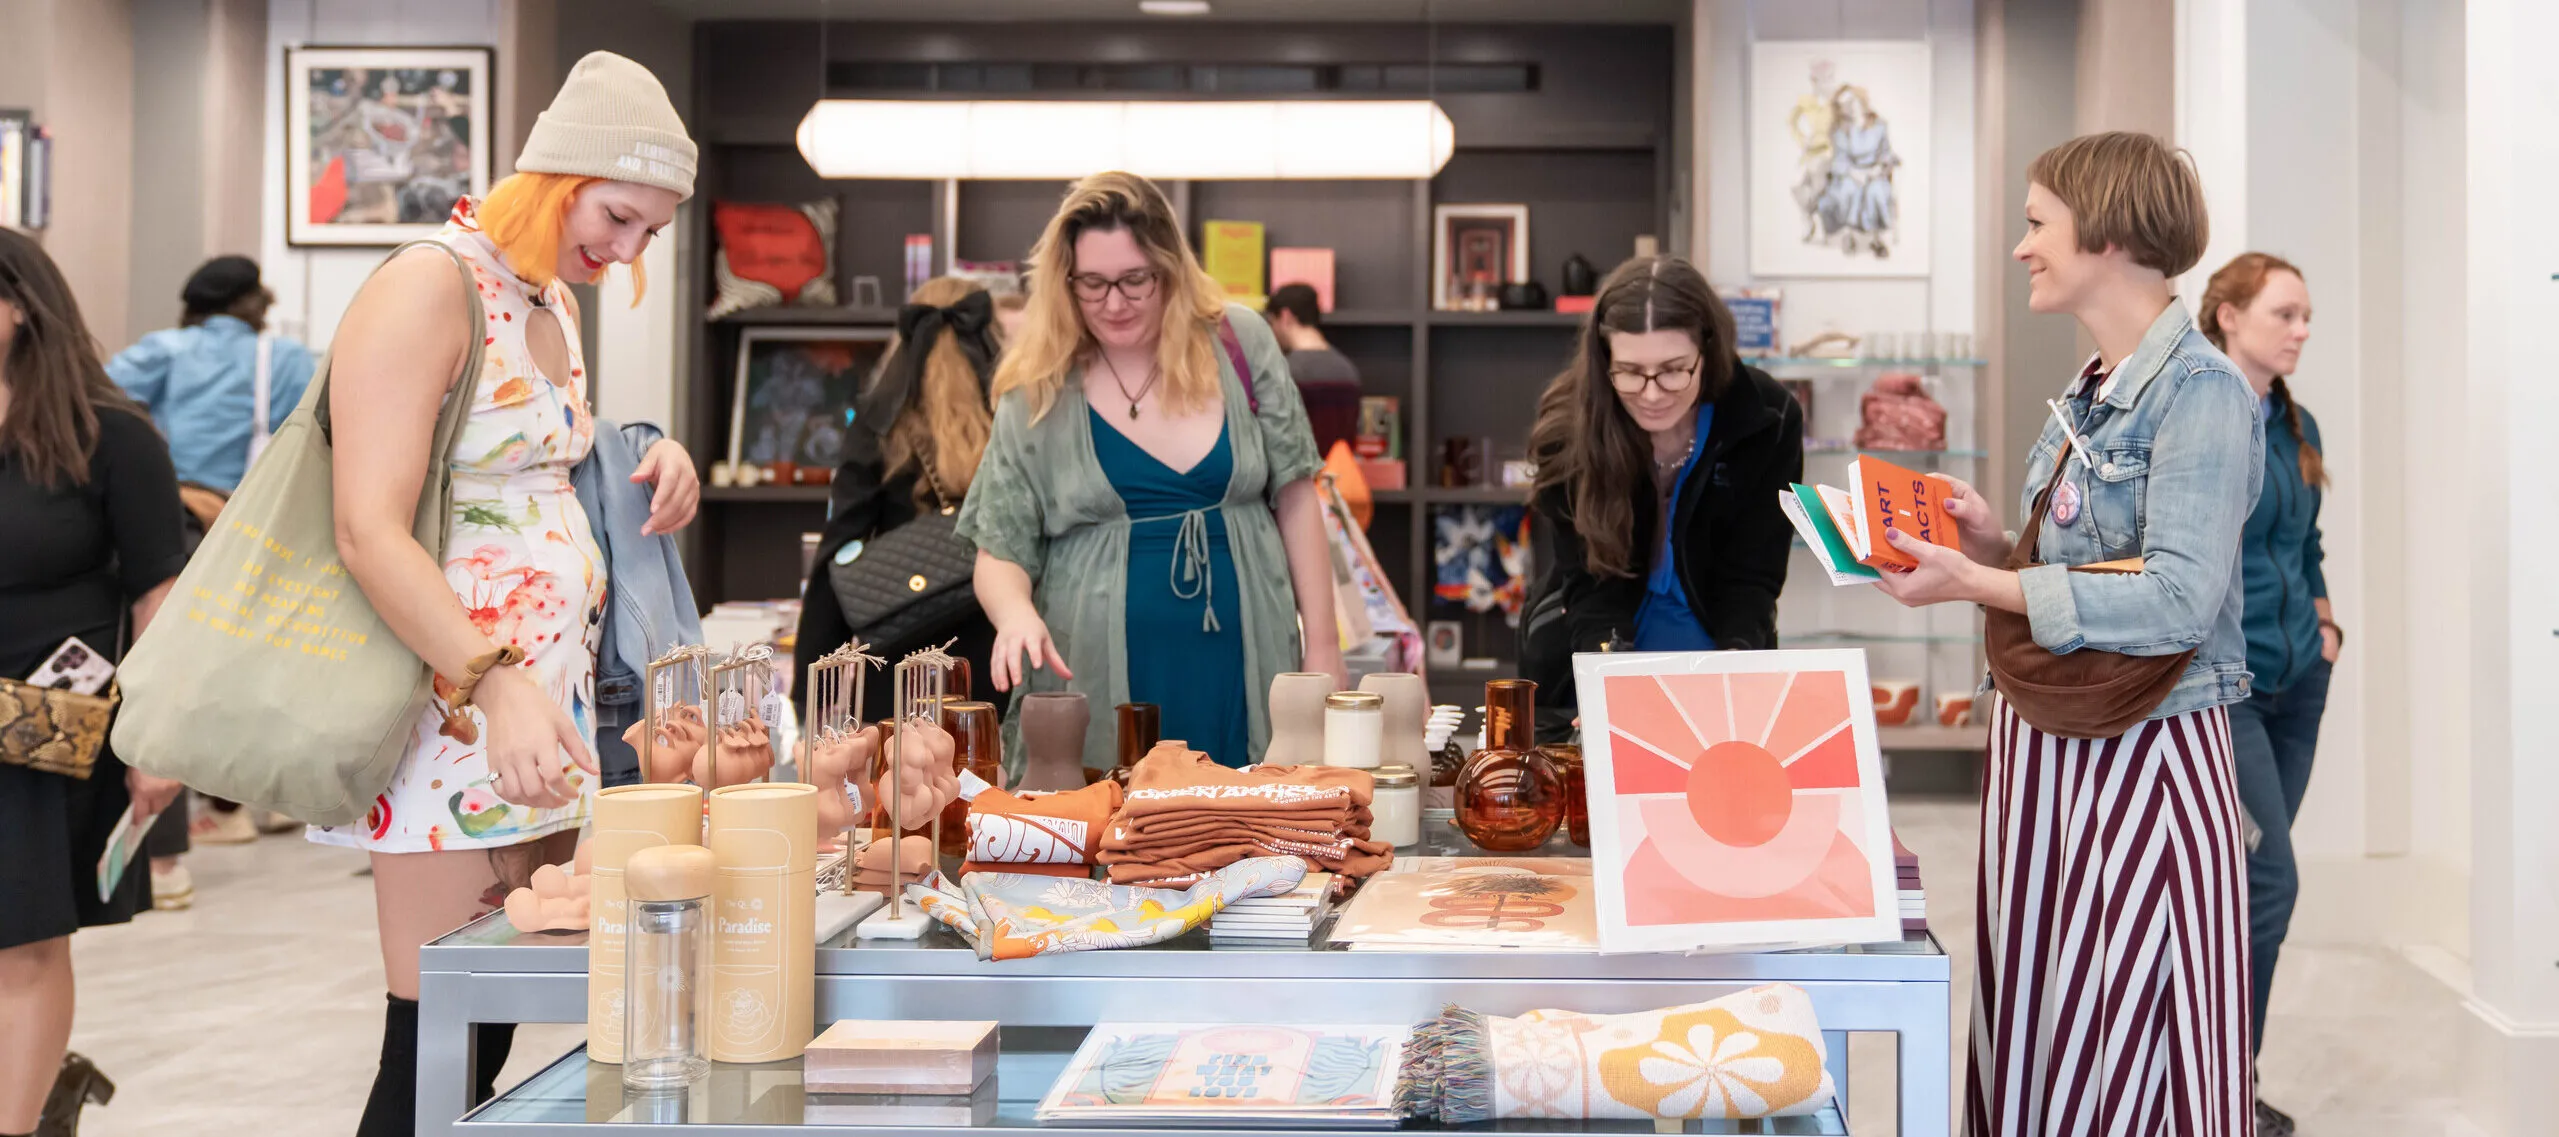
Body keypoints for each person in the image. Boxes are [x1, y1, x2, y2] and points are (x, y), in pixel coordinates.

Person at [305, 52, 702, 1137]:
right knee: (435, 1036)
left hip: (540, 709)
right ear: (560, 175)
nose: (625, 250)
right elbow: (366, 527)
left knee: (486, 1038)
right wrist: (490, 681)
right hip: (453, 707)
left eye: (649, 236)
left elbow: (522, 468)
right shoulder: (428, 283)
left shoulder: (543, 297)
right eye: (617, 217)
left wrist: (647, 453)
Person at [1871, 132, 2259, 1135]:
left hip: (2148, 756)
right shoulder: (2095, 382)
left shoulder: (2202, 393)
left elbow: (2178, 600)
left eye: (2039, 222)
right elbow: (2095, 565)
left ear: (2113, 233)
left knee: (2141, 1035)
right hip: (2053, 748)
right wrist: (1996, 542)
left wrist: (1988, 583)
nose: (2021, 246)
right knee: (2047, 1020)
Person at [958, 170, 1337, 771]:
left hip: (1245, 661)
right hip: (1093, 670)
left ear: (1170, 269)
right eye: (1093, 284)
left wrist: (1324, 648)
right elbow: (1000, 545)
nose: (1114, 302)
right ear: (1065, 282)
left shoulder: (1239, 343)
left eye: (1135, 280)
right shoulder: (1039, 387)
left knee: (1250, 828)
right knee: (1114, 838)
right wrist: (1015, 615)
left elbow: (1296, 498)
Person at [0, 228, 189, 1137]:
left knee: (25, 941)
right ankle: (44, 1089)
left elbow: (161, 588)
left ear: (20, 308)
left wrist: (156, 736)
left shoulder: (108, 435)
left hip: (42, 726)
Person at [1517, 255, 1803, 741]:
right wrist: (1606, 678)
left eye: (1673, 371)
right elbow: (1588, 583)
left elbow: (1753, 576)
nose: (1651, 394)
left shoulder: (1767, 419)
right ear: (1603, 359)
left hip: (1718, 657)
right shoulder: (1568, 428)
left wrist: (1736, 665)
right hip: (1585, 657)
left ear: (1708, 352)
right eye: (1629, 372)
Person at [107, 255, 315, 853]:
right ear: (257, 303)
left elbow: (96, 397)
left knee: (182, 657)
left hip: (176, 518)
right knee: (256, 654)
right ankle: (253, 795)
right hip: (259, 519)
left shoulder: (165, 351)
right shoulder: (285, 358)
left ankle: (208, 812)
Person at [2199, 250, 2332, 1137]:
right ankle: (2220, 1083)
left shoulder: (2296, 421)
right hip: (2231, 687)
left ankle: (2222, 1074)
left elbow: (2306, 542)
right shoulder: (2203, 418)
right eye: (2283, 313)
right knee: (2268, 877)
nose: (2300, 330)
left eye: (2304, 316)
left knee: (2247, 881)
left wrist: (2325, 625)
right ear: (2228, 317)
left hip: (2299, 681)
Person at [795, 276, 1003, 714]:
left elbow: (840, 547)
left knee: (898, 778)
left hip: (899, 656)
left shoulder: (878, 424)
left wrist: (810, 693)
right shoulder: (1011, 416)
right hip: (996, 648)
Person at [1261, 283, 1361, 456]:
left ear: (1285, 316)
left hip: (1299, 480)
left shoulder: (1285, 372)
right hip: (1338, 479)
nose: (1272, 330)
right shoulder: (1348, 370)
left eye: (1271, 322)